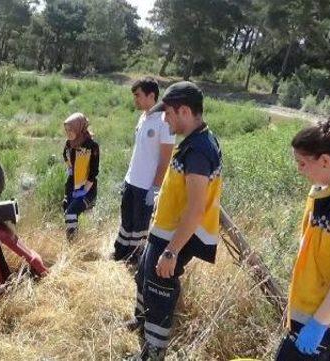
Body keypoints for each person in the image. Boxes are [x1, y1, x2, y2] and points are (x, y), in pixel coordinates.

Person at [128, 81, 222, 361]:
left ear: (183, 111)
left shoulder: (199, 151)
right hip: (164, 230)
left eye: (168, 113)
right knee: (144, 275)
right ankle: (142, 326)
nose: (165, 119)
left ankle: (153, 353)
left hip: (174, 238)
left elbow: (196, 210)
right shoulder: (195, 141)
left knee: (160, 291)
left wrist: (171, 251)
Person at [275, 114, 330, 361]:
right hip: (312, 318)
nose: (299, 170)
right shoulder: (325, 192)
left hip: (328, 326)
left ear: (325, 160)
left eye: (302, 163)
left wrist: (318, 324)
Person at [114, 77, 175, 265]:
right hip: (131, 181)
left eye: (138, 95)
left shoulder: (164, 122)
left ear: (151, 95)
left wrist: (155, 188)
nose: (136, 99)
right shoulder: (144, 116)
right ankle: (120, 254)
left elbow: (165, 159)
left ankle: (133, 259)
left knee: (140, 226)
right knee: (127, 222)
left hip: (146, 185)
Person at [62, 112, 100, 240]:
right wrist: (70, 168)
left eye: (71, 130)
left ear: (79, 128)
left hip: (87, 189)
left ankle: (73, 246)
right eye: (66, 130)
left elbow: (93, 173)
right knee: (67, 212)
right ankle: (72, 243)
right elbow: (64, 154)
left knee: (71, 213)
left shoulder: (91, 146)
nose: (68, 133)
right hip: (72, 185)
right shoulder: (70, 143)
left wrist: (83, 190)